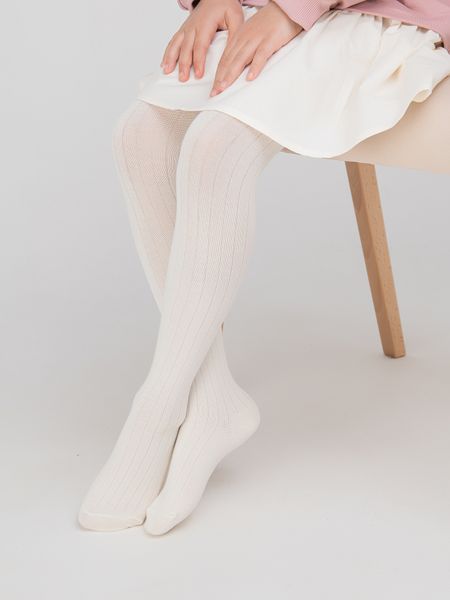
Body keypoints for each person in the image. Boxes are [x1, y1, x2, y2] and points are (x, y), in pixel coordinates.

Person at [78, 0, 450, 536]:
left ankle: (155, 410)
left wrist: (292, 10)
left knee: (215, 145)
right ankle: (211, 398)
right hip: (279, 11)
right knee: (139, 135)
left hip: (394, 18)